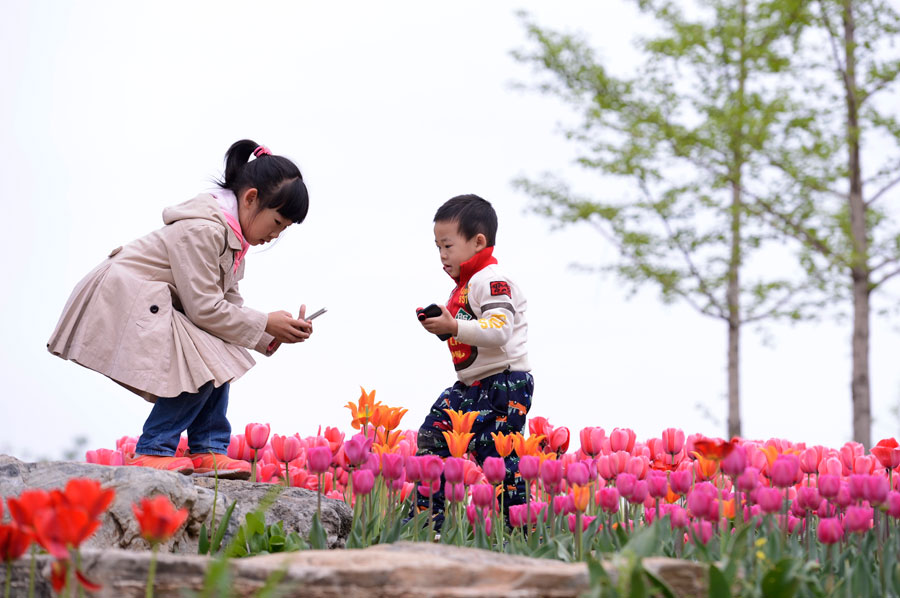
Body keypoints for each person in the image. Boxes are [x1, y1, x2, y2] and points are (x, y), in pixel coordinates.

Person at [47, 140, 313, 479]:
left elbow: (226, 306)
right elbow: (206, 309)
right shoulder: (203, 229)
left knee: (217, 349)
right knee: (201, 356)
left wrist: (273, 333)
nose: (275, 235)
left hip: (153, 298)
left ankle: (207, 448)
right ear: (250, 199)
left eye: (284, 229)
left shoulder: (231, 237)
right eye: (277, 222)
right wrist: (264, 323)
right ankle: (154, 448)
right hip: (122, 295)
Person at [415, 194, 533, 528]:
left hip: (504, 383)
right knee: (432, 434)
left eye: (448, 246)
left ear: (478, 241)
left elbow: (499, 330)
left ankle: (518, 528)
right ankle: (427, 520)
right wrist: (442, 324)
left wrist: (453, 326)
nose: (442, 255)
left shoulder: (493, 280)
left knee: (495, 455)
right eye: (437, 247)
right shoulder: (465, 286)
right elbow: (468, 333)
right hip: (471, 385)